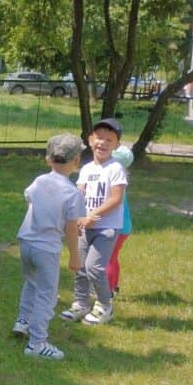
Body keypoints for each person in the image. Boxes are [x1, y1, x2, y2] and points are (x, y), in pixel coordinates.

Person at [12, 134, 86, 360]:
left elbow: (29, 198)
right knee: (47, 295)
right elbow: (71, 228)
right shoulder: (73, 193)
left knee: (31, 282)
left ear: (48, 159)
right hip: (47, 249)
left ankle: (23, 321)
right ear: (77, 161)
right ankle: (36, 344)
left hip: (26, 242)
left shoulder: (39, 181)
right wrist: (75, 256)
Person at [61, 118, 128, 326]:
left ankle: (105, 306)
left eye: (109, 140)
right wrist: (78, 217)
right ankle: (81, 304)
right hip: (84, 227)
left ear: (117, 145)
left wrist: (93, 215)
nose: (103, 143)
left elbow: (116, 199)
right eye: (99, 138)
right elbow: (78, 194)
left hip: (106, 228)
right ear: (90, 140)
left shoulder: (115, 168)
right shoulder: (86, 169)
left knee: (94, 267)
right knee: (80, 267)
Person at [103, 145, 134, 304]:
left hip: (116, 226)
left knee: (106, 259)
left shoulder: (113, 182)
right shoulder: (122, 181)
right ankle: (114, 286)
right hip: (125, 227)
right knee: (113, 257)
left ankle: (106, 292)